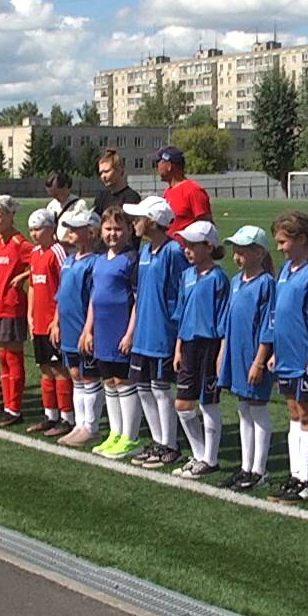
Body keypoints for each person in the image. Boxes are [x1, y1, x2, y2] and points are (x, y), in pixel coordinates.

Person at [266, 210, 308, 502]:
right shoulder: (286, 269)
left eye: (283, 242)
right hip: (286, 356)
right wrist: (274, 351)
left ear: (302, 239)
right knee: (294, 412)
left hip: (306, 356)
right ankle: (296, 476)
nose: (279, 248)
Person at [128, 196, 187, 469]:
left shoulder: (173, 252)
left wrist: (176, 332)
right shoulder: (144, 251)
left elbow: (181, 292)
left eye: (138, 218)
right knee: (143, 388)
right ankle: (157, 440)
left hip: (162, 331)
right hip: (143, 332)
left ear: (152, 222)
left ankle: (170, 444)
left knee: (161, 389)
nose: (134, 222)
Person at [217, 225, 277, 491]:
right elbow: (228, 321)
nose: (236, 256)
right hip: (236, 352)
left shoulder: (266, 284)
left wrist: (259, 361)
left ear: (259, 252)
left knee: (257, 408)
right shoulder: (235, 282)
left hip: (254, 355)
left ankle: (259, 470)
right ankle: (246, 466)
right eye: (235, 250)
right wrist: (223, 353)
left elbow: (268, 326)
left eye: (242, 250)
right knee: (243, 408)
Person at [81, 206, 142, 459]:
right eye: (108, 229)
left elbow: (137, 300)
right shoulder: (99, 260)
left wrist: (130, 334)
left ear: (128, 230)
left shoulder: (132, 259)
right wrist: (88, 329)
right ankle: (115, 433)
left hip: (121, 329)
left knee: (123, 381)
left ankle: (130, 437)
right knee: (109, 382)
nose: (113, 234)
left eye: (118, 228)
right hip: (102, 331)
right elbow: (94, 298)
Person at [170, 220, 229, 478]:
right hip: (189, 345)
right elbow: (182, 314)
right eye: (186, 244)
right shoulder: (187, 276)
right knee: (182, 404)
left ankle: (210, 459)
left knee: (208, 403)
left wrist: (221, 352)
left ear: (209, 246)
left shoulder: (218, 278)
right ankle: (199, 454)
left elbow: (223, 320)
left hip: (209, 345)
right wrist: (178, 348)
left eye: (193, 245)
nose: (187, 249)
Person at [54, 207, 105, 448]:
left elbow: (95, 298)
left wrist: (89, 329)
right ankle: (80, 423)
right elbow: (61, 295)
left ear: (91, 232)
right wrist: (56, 321)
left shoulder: (94, 263)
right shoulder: (68, 260)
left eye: (76, 228)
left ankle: (91, 426)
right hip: (68, 328)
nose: (70, 232)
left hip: (83, 327)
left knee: (89, 375)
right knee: (75, 374)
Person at [23, 208, 71, 436]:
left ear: (51, 229)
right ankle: (50, 415)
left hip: (53, 323)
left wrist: (57, 320)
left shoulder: (57, 252)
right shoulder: (34, 253)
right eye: (31, 229)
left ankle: (67, 417)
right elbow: (33, 285)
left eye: (38, 229)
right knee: (44, 369)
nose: (34, 234)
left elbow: (65, 286)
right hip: (39, 322)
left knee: (59, 369)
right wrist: (30, 315)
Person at [0, 195, 33, 426]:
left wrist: (23, 276)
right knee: (3, 356)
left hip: (12, 306)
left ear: (10, 215)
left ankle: (14, 408)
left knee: (12, 357)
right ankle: (7, 405)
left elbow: (41, 260)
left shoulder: (19, 242)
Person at [155, 144, 212, 238]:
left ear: (169, 166)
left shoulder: (193, 190)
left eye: (158, 162)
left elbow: (206, 226)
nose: (156, 167)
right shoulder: (167, 192)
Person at [93, 148, 141, 216]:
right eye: (101, 173)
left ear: (119, 170)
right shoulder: (101, 198)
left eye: (106, 171)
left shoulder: (132, 198)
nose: (103, 176)